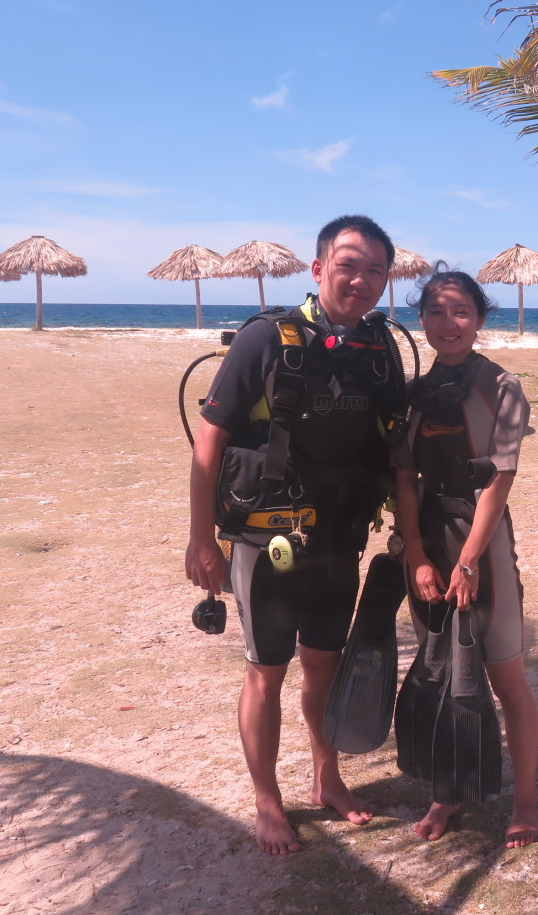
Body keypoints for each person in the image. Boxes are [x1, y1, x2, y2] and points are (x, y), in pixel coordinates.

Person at [185, 214, 400, 855]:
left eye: (375, 270)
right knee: (265, 670)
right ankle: (266, 798)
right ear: (318, 268)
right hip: (267, 541)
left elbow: (396, 447)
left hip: (340, 538)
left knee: (325, 666)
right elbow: (210, 441)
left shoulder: (380, 349)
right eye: (348, 264)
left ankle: (326, 777)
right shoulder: (266, 339)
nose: (360, 279)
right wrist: (202, 538)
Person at [392, 265, 538, 848]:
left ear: (479, 319)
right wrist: (419, 558)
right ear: (421, 318)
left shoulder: (502, 388)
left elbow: (497, 483)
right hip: (429, 537)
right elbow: (405, 479)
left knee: (505, 676)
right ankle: (446, 794)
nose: (447, 323)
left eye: (460, 312)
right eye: (435, 311)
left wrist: (470, 560)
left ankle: (525, 800)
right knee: (440, 670)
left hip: (483, 544)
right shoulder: (414, 394)